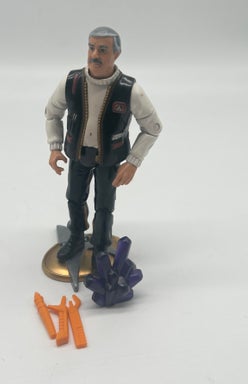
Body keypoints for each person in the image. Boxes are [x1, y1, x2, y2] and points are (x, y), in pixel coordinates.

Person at [45, 26, 162, 263]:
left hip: (109, 158)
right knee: (74, 198)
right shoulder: (72, 82)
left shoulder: (129, 90)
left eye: (102, 49)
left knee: (105, 205)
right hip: (78, 155)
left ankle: (101, 246)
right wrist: (55, 147)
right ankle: (76, 237)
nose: (94, 55)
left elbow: (153, 128)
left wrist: (133, 162)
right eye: (91, 48)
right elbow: (52, 114)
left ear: (116, 54)